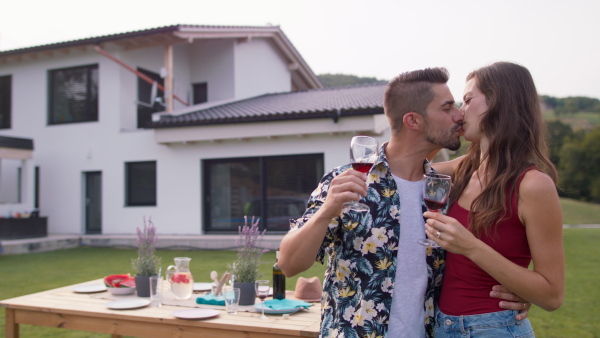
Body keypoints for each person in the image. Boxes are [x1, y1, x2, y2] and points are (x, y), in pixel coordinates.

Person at [278, 67, 527, 338]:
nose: (459, 115)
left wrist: (519, 294)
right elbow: (289, 265)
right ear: (413, 121)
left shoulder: (445, 190)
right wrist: (326, 212)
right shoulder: (345, 182)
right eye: (446, 108)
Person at [426, 61, 565, 337]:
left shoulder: (533, 185)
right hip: (442, 326)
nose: (459, 112)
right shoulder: (464, 168)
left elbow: (552, 295)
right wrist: (439, 130)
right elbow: (404, 169)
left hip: (495, 328)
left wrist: (470, 247)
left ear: (499, 102)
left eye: (467, 100)